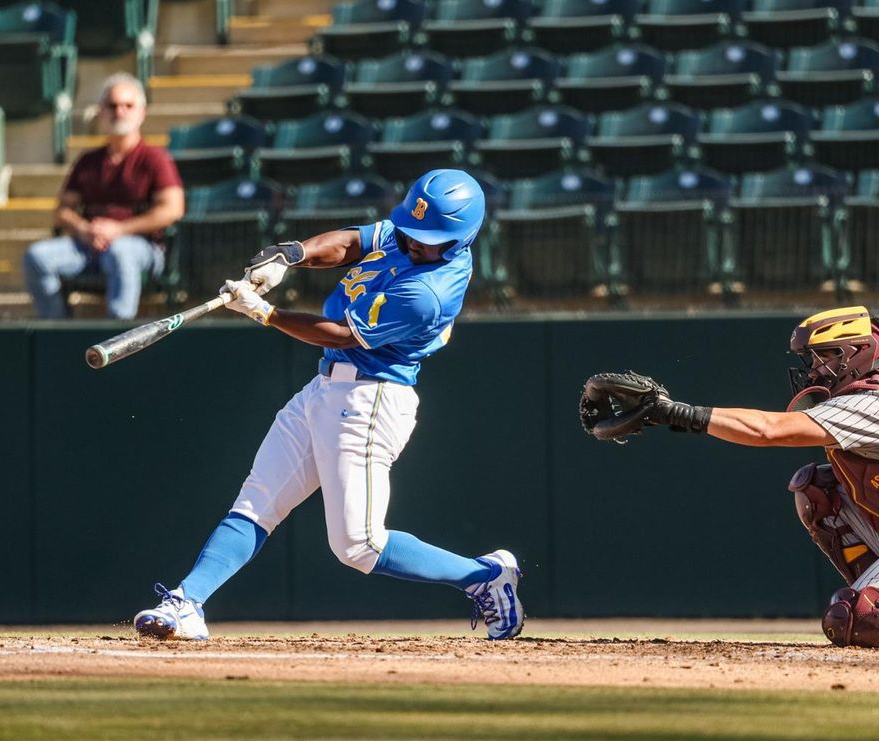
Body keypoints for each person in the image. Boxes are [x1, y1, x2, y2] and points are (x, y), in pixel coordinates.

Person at [132, 170, 524, 642]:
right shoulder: (411, 233)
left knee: (359, 546)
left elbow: (340, 334)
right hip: (324, 389)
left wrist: (265, 313)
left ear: (458, 240)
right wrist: (291, 254)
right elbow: (351, 243)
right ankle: (187, 602)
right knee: (256, 503)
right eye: (412, 232)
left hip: (371, 400)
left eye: (427, 240)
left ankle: (483, 576)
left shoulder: (430, 293)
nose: (413, 242)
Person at [580, 306, 879, 647]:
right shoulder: (859, 400)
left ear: (858, 352)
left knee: (857, 618)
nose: (813, 369)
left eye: (824, 357)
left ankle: (868, 599)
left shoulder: (869, 403)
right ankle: (868, 587)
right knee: (817, 490)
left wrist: (672, 412)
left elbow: (768, 430)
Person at [23, 73, 184, 319]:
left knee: (119, 251)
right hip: (89, 246)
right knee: (37, 256)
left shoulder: (155, 159)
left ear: (142, 113)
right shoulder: (88, 161)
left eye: (128, 105)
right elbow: (62, 210)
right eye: (112, 106)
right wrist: (84, 230)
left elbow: (172, 209)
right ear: (101, 112)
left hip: (141, 247)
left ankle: (119, 334)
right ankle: (57, 330)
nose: (120, 112)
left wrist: (119, 230)